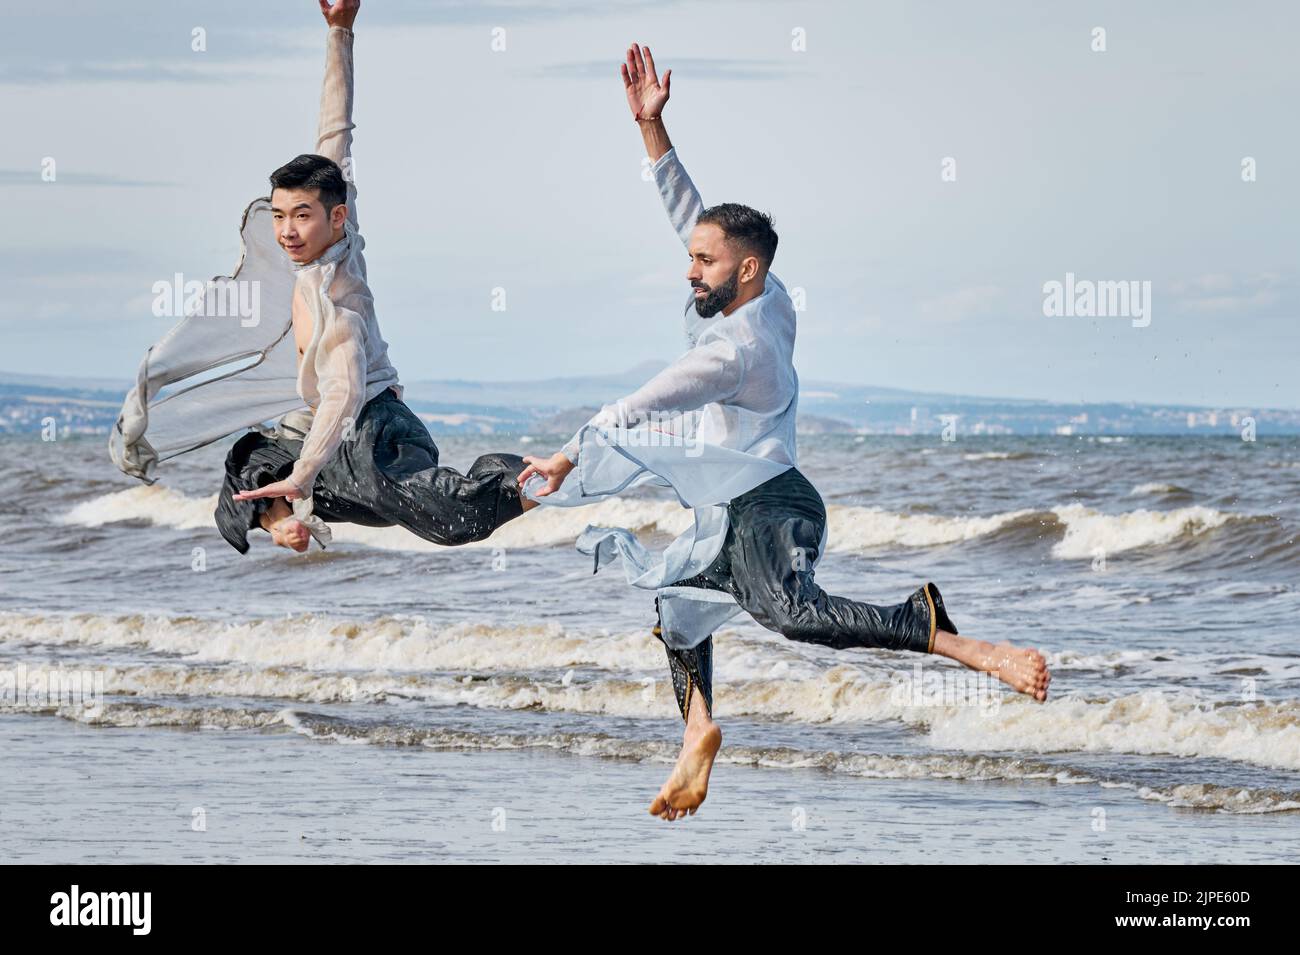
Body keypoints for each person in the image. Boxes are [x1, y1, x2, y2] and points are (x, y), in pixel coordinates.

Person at [520, 44, 1051, 822]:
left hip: (772, 501)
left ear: (747, 273)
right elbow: (692, 219)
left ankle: (948, 636)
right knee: (676, 603)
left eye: (704, 264)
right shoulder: (767, 295)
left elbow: (646, 400)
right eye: (691, 260)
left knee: (794, 614)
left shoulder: (736, 353)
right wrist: (652, 131)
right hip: (735, 503)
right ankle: (698, 727)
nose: (688, 271)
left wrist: (571, 454)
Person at [110, 0, 533, 554]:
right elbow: (336, 133)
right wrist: (339, 33)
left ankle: (541, 479)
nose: (286, 231)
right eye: (279, 215)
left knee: (451, 520)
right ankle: (286, 520)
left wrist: (305, 473)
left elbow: (344, 393)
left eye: (300, 217)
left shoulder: (339, 299)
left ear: (334, 218)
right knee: (246, 464)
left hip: (374, 431)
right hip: (323, 432)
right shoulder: (333, 223)